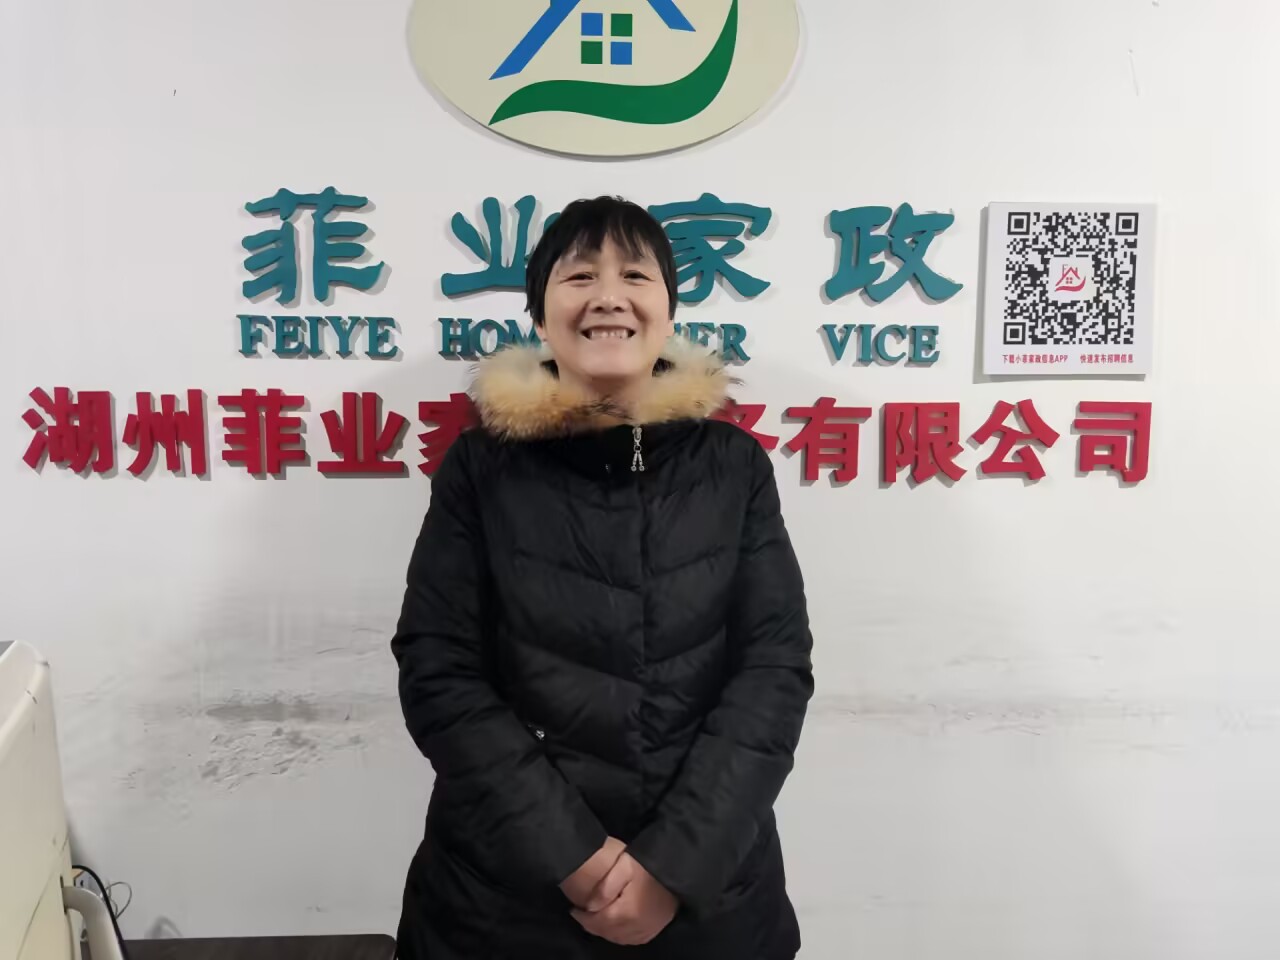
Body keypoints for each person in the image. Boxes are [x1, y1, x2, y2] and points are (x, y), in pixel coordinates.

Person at [391, 195, 814, 959]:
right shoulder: (480, 468)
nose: (609, 296)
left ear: (668, 310)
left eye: (635, 276)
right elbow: (438, 670)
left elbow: (773, 670)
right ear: (541, 314)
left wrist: (673, 866)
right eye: (580, 275)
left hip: (708, 901)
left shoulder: (734, 467)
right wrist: (574, 856)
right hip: (505, 901)